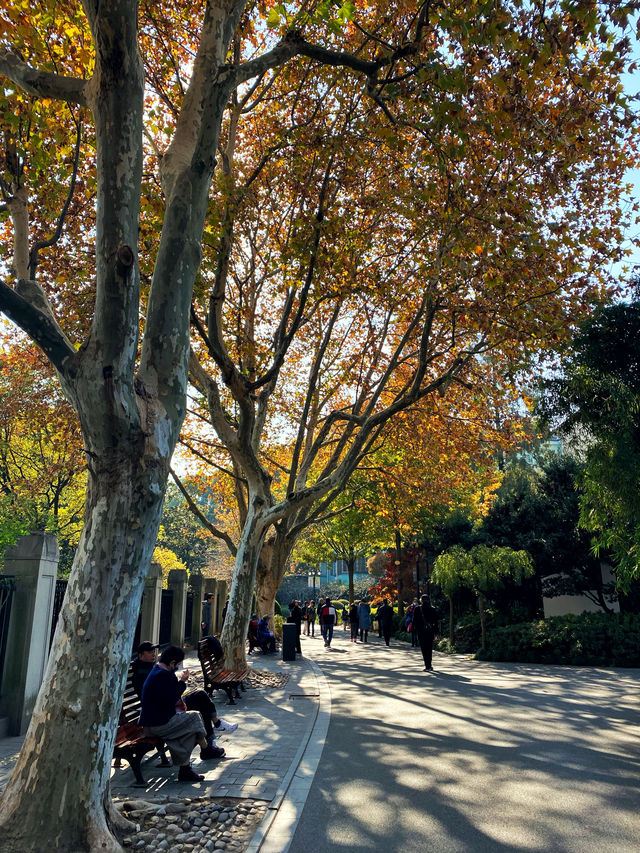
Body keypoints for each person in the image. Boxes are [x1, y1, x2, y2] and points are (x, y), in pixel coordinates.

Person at [139, 645, 225, 782]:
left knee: (190, 731)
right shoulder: (164, 676)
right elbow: (171, 699)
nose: (178, 667)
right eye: (177, 664)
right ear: (172, 663)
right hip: (157, 725)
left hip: (154, 722)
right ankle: (206, 749)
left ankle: (186, 769)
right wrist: (183, 682)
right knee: (195, 717)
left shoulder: (158, 670)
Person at [132, 641, 238, 741]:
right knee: (198, 708)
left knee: (200, 695)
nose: (153, 655)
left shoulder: (155, 668)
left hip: (167, 706)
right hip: (161, 713)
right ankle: (209, 744)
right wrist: (181, 682)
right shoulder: (143, 674)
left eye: (154, 652)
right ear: (141, 655)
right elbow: (161, 698)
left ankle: (217, 725)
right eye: (150, 652)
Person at [412, 594, 439, 671]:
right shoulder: (432, 609)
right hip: (430, 632)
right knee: (429, 648)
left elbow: (414, 621)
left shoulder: (417, 609)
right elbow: (436, 622)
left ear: (421, 600)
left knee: (423, 648)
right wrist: (436, 633)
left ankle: (427, 665)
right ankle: (430, 664)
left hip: (421, 632)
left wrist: (416, 630)